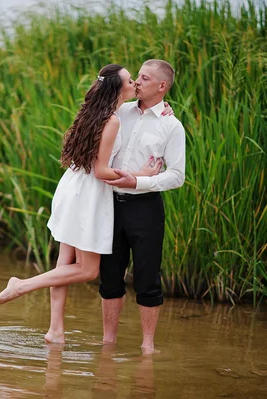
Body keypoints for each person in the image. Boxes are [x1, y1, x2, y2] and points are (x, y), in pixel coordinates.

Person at [0, 64, 165, 315]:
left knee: (64, 263)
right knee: (88, 270)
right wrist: (141, 175)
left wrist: (163, 108)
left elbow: (140, 112)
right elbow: (102, 171)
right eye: (129, 81)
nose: (134, 83)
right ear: (116, 89)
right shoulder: (112, 120)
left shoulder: (95, 112)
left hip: (72, 186)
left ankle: (55, 330)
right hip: (88, 194)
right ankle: (21, 285)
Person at [99, 59, 186, 354]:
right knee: (110, 276)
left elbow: (176, 176)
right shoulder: (120, 112)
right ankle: (108, 342)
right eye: (136, 76)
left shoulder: (171, 126)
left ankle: (148, 346)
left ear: (162, 86)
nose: (137, 82)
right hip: (110, 205)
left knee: (148, 278)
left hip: (146, 208)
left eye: (144, 78)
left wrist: (137, 183)